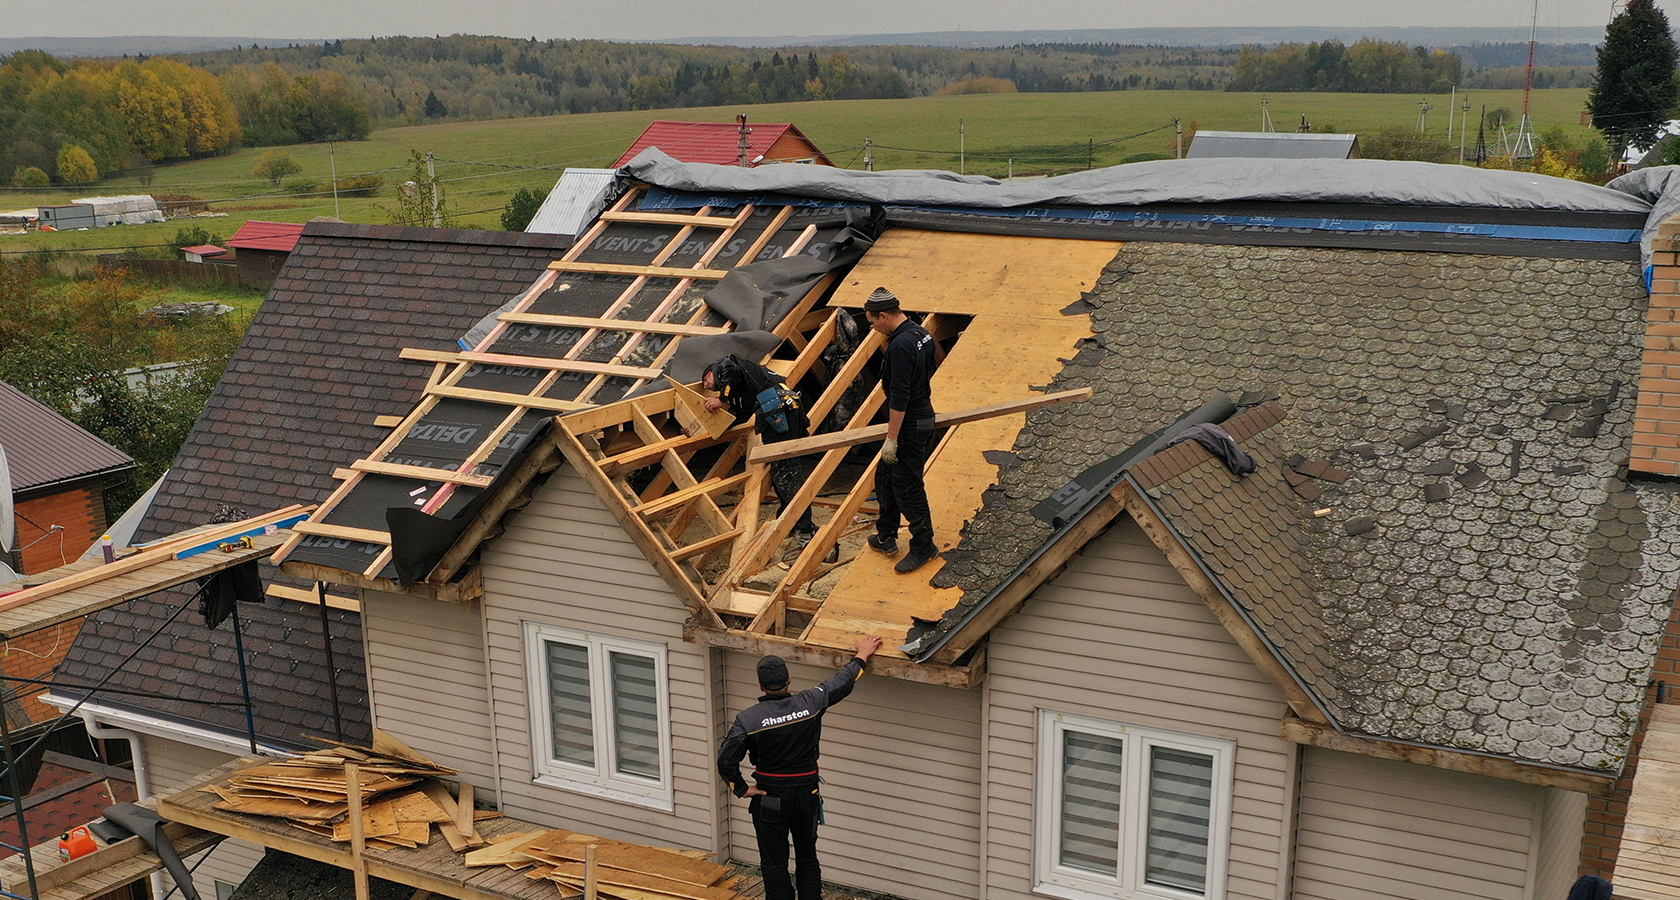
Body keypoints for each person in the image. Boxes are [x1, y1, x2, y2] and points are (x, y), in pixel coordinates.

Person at [717, 635, 884, 900]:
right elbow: (843, 682)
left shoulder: (748, 720)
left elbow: (725, 760)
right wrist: (863, 653)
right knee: (807, 858)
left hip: (769, 798)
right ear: (789, 680)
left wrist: (742, 789)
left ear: (761, 686)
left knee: (774, 864)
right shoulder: (810, 703)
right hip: (807, 797)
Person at [862, 287, 938, 573]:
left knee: (907, 486)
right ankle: (886, 535)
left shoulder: (900, 346)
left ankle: (924, 546)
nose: (874, 328)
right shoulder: (922, 334)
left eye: (872, 322)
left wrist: (892, 438)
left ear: (883, 316)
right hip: (920, 415)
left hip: (909, 423)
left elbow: (900, 395)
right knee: (885, 476)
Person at [703, 354, 816, 542]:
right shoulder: (740, 392)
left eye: (705, 381)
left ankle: (803, 527)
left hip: (781, 410)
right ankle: (788, 519)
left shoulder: (724, 366)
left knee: (787, 472)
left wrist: (721, 399)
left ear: (710, 372)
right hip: (777, 413)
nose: (706, 386)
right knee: (780, 471)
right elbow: (737, 417)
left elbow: (732, 371)